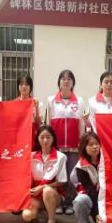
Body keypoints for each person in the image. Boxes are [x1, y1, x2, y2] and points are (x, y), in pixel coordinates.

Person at [45, 69, 84, 215]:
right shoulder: (51, 100)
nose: (66, 81)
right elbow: (48, 123)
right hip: (57, 146)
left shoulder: (79, 101)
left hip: (74, 146)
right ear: (59, 83)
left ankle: (69, 203)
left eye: (69, 79)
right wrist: (48, 144)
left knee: (71, 174)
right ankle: (58, 203)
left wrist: (81, 144)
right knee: (57, 175)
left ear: (73, 83)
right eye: (63, 79)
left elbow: (81, 124)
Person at [22, 125, 68, 223]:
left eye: (48, 137)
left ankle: (51, 222)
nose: (45, 140)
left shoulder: (60, 157)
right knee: (27, 216)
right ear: (37, 138)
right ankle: (43, 212)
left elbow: (62, 181)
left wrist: (42, 187)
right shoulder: (31, 156)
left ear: (53, 138)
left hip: (54, 194)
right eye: (42, 137)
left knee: (47, 190)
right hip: (35, 195)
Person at [70, 132, 101, 223]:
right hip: (91, 196)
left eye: (96, 143)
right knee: (80, 201)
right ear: (84, 147)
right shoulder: (80, 167)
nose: (95, 147)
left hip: (105, 196)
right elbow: (91, 191)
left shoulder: (106, 161)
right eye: (90, 144)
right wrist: (97, 213)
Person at [14, 75, 42, 146]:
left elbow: (38, 124)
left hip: (32, 139)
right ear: (18, 86)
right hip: (18, 138)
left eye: (26, 84)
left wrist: (36, 109)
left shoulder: (36, 102)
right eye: (21, 84)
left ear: (31, 87)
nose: (24, 86)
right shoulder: (14, 103)